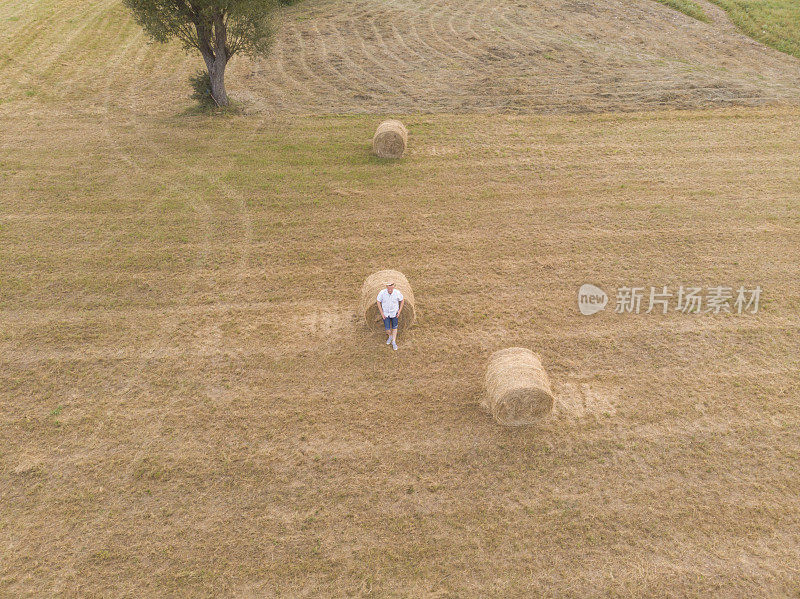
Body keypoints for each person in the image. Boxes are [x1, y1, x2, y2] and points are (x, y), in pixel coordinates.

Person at [376, 280, 404, 350]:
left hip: (394, 313)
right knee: (387, 329)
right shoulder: (382, 293)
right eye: (389, 288)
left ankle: (394, 342)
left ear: (393, 287)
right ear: (386, 287)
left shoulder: (397, 293)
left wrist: (399, 311)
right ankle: (390, 336)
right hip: (386, 314)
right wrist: (382, 313)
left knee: (394, 327)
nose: (390, 290)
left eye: (391, 288)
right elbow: (378, 301)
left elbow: (402, 300)